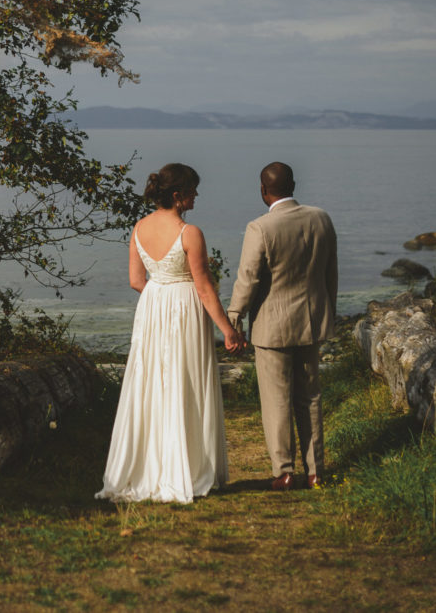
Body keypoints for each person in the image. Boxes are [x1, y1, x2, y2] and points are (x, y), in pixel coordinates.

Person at [97, 163, 246, 503]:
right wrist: (229, 331)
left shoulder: (138, 228)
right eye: (193, 191)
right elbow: (204, 287)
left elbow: (136, 281)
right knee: (186, 380)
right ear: (178, 196)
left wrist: (160, 296)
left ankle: (150, 466)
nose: (196, 197)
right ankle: (189, 467)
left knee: (152, 382)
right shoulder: (189, 233)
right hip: (184, 308)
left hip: (153, 307)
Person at [226, 161, 338, 490]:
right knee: (311, 397)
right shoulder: (321, 218)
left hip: (272, 328)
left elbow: (248, 279)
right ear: (294, 185)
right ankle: (316, 471)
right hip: (312, 320)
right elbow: (330, 273)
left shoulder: (260, 227)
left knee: (277, 401)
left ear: (264, 190)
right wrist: (328, 313)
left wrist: (234, 320)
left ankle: (285, 472)